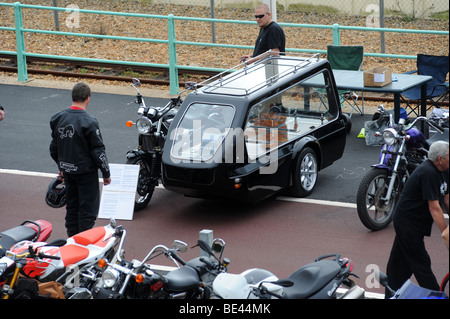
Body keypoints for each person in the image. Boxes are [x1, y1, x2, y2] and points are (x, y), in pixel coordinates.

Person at [386, 140, 449, 293]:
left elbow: (447, 198)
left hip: (417, 223)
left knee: (399, 264)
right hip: (407, 223)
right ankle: (437, 296)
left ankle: (391, 293)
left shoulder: (445, 170)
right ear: (440, 159)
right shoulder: (428, 172)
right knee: (421, 262)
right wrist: (446, 231)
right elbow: (434, 208)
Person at [50, 83, 111, 237]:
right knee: (87, 209)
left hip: (68, 171)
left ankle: (71, 238)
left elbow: (54, 147)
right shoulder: (89, 121)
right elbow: (98, 150)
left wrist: (61, 166)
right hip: (86, 173)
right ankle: (84, 241)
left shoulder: (58, 118)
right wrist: (106, 173)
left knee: (72, 206)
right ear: (87, 98)